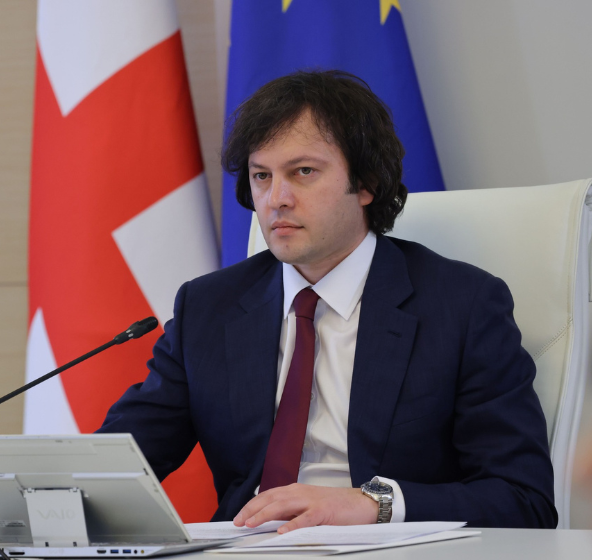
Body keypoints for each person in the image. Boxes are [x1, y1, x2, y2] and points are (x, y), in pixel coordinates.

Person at [98, 70, 557, 530]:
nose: (276, 199)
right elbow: (117, 465)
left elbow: (523, 499)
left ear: (366, 183)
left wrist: (373, 504)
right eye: (262, 176)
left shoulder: (462, 305)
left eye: (303, 172)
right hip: (247, 546)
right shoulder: (207, 307)